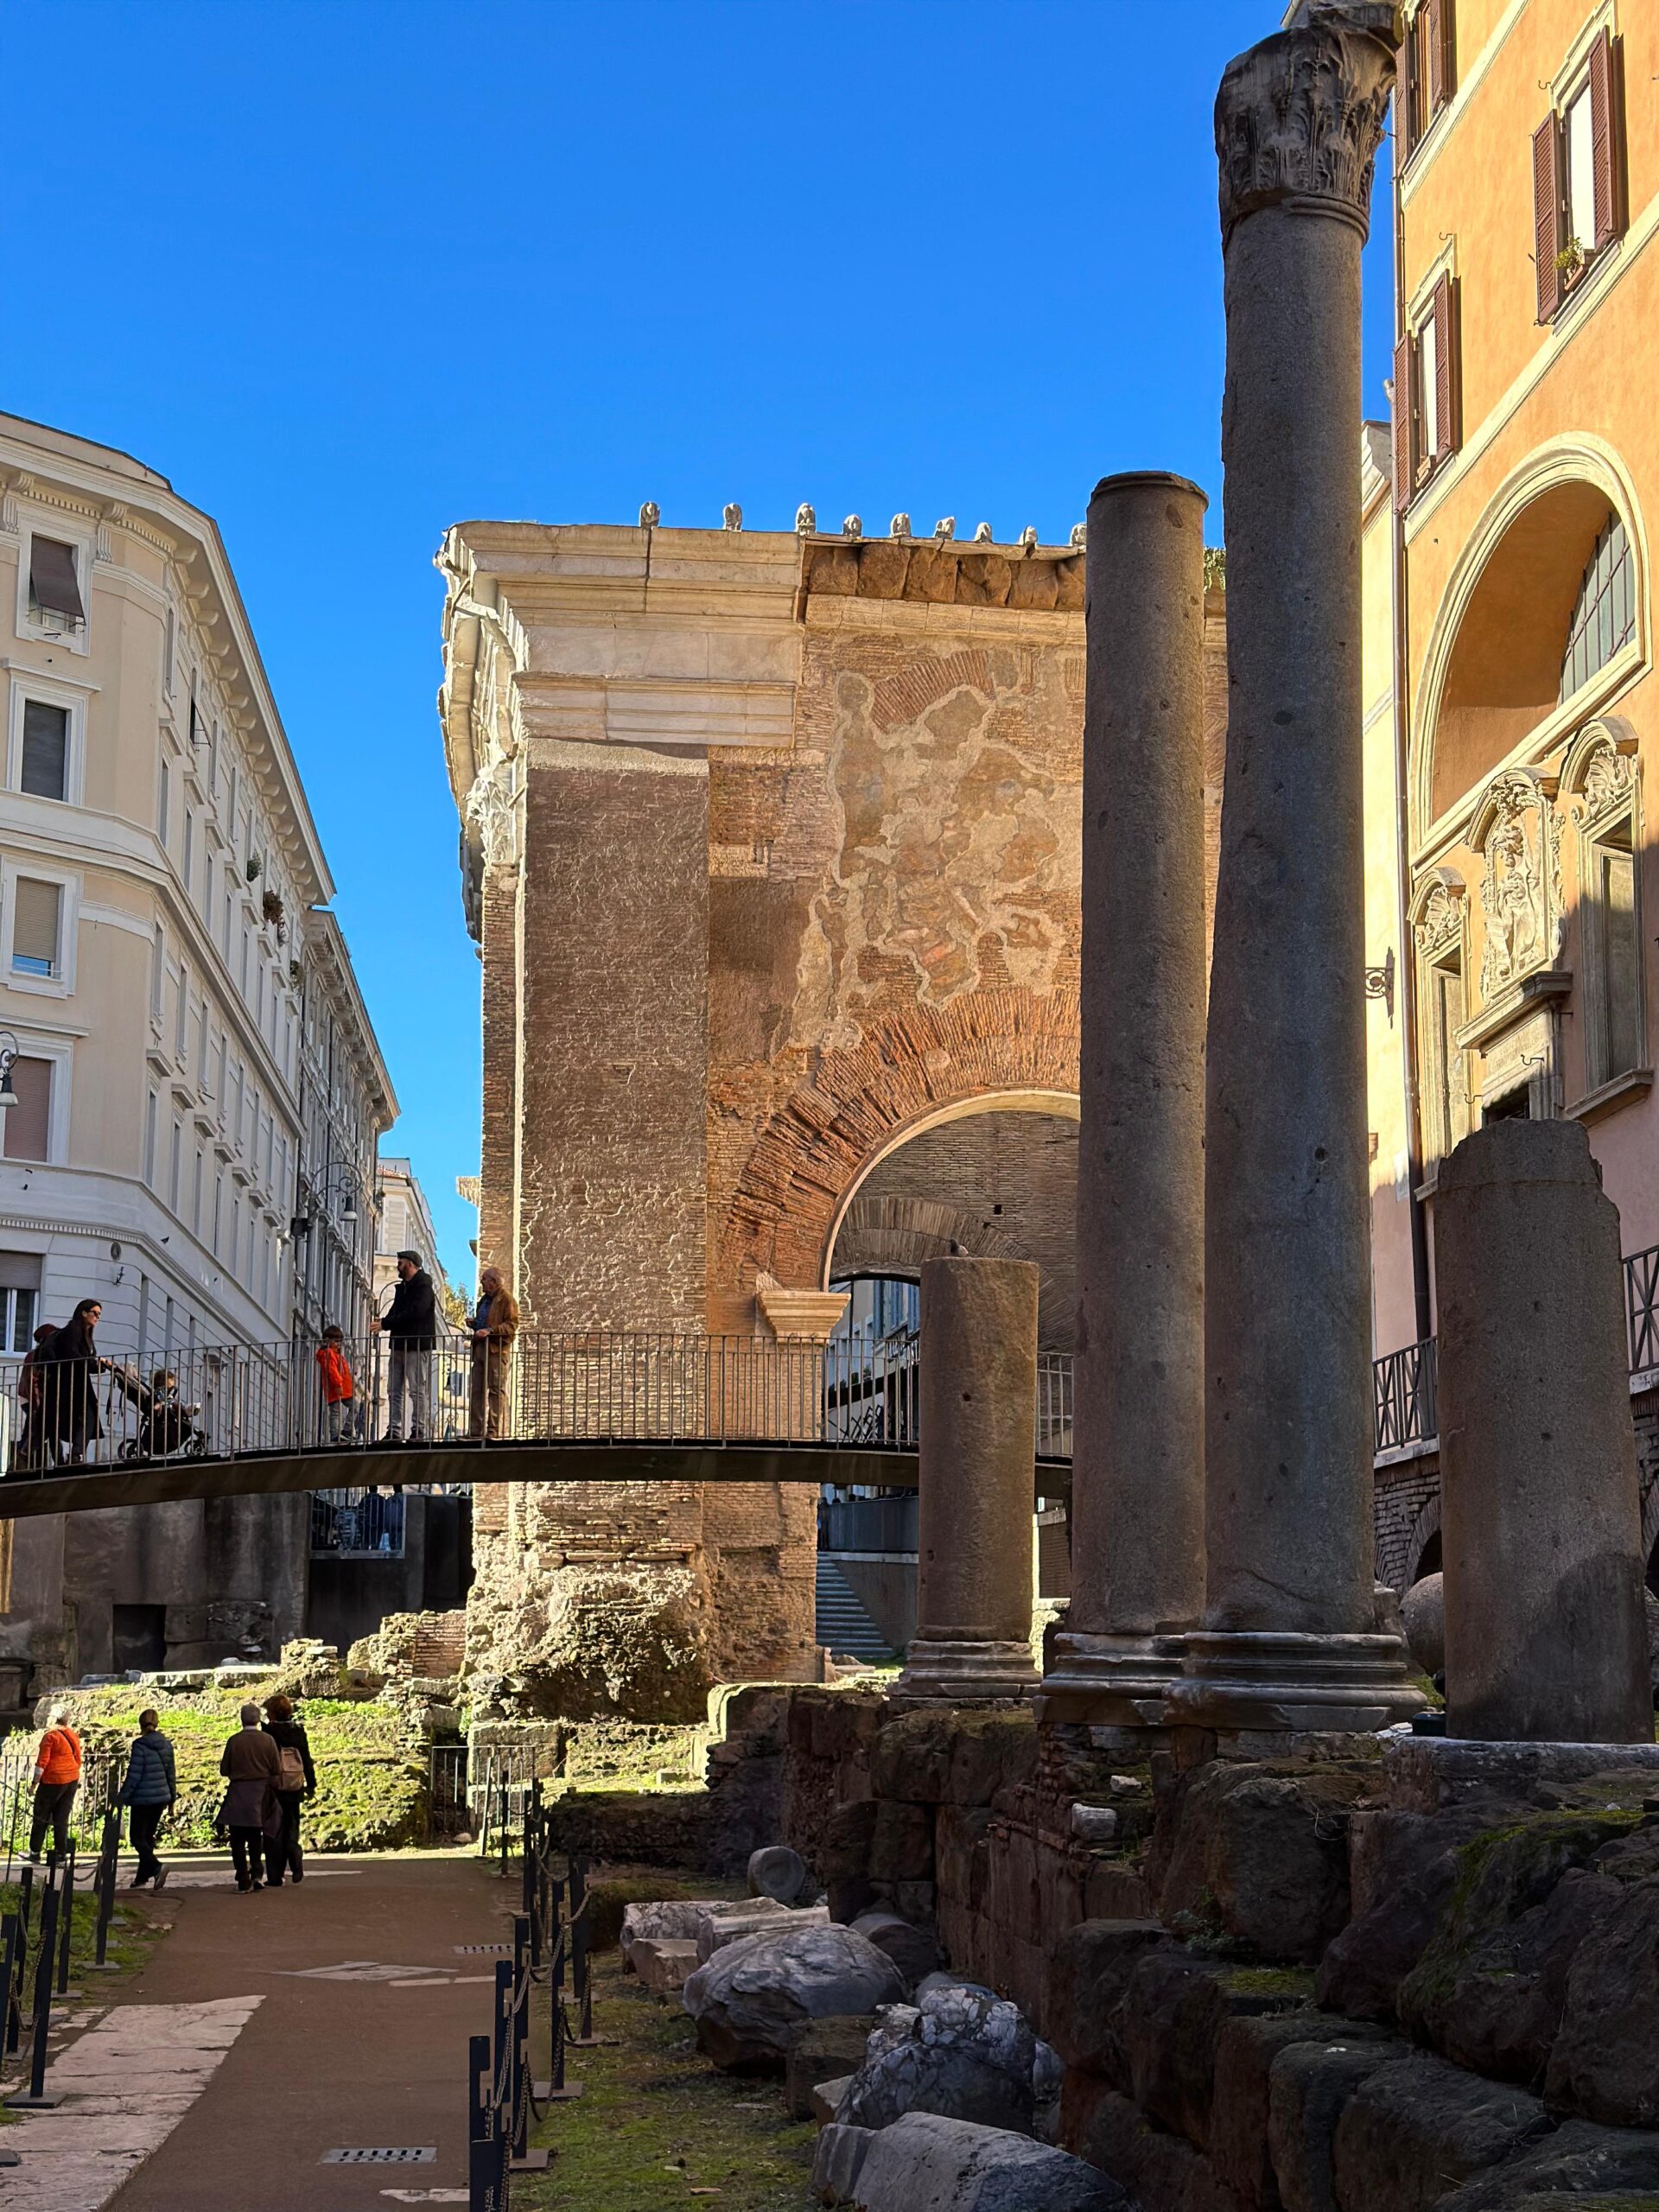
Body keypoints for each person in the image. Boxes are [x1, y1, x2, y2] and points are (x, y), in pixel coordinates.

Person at [219, 1701, 283, 1891]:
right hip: (260, 1794)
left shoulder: (234, 1741)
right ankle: (257, 1873)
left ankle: (243, 1877)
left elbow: (224, 1770)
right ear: (258, 1719)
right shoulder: (268, 1740)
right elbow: (276, 1769)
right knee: (256, 1837)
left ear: (241, 1719)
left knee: (237, 1839)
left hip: (238, 1794)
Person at [35, 1300, 109, 1466]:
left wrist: (100, 1366)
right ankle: (74, 1456)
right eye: (95, 1313)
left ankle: (75, 1455)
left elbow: (86, 1363)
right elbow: (73, 1357)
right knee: (81, 1418)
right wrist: (95, 1363)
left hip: (78, 1383)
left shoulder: (86, 1336)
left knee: (86, 1418)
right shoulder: (71, 1333)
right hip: (68, 1383)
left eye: (99, 1315)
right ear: (83, 1313)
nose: (98, 1317)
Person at [375, 1251, 437, 1444]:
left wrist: (386, 1323)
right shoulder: (403, 1288)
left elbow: (415, 1312)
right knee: (394, 1389)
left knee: (417, 1390)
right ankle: (394, 1430)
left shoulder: (424, 1288)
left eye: (400, 1263)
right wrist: (385, 1322)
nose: (397, 1266)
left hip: (416, 1345)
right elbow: (398, 1310)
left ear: (409, 1264)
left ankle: (418, 1430)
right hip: (400, 1344)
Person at [117, 1708, 177, 1891]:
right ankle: (142, 1877)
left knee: (137, 1838)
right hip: (161, 1798)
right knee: (147, 1838)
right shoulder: (167, 1745)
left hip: (143, 1799)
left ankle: (156, 1867)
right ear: (156, 1723)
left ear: (140, 1724)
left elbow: (134, 1775)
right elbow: (171, 1773)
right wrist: (172, 1798)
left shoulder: (140, 1745)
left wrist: (122, 1797)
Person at [260, 1694, 316, 1886]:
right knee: (292, 1825)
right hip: (295, 1785)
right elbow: (307, 1759)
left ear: (273, 1713)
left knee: (274, 1830)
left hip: (275, 1787)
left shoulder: (268, 1732)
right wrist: (311, 1783)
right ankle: (294, 1851)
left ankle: (275, 1876)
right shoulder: (298, 1731)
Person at [467, 1267, 519, 1441]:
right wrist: (475, 1324)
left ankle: (493, 1430)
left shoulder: (506, 1300)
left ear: (494, 1282)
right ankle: (475, 1431)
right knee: (477, 1389)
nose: (481, 1282)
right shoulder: (484, 1300)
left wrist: (490, 1330)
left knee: (496, 1390)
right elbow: (486, 1320)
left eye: (484, 1279)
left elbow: (511, 1326)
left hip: (496, 1350)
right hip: (481, 1348)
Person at [29, 1703, 82, 1863]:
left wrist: (34, 1783)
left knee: (41, 1816)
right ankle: (61, 1854)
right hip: (71, 1778)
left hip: (52, 1780)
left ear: (53, 1718)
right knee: (61, 1817)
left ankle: (35, 1852)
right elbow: (78, 1758)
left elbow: (42, 1762)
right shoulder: (72, 1734)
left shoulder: (50, 1736)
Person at [11, 1323, 58, 1474]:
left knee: (35, 1430)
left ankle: (18, 1463)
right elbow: (33, 1381)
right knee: (38, 1430)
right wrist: (37, 1404)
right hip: (33, 1399)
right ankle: (20, 1462)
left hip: (30, 1398)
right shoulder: (37, 1354)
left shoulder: (35, 1353)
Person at [315, 1326, 356, 1446]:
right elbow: (332, 1371)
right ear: (328, 1341)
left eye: (340, 1342)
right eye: (336, 1341)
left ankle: (345, 1431)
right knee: (336, 1412)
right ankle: (336, 1434)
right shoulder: (328, 1354)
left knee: (354, 1407)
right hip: (336, 1388)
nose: (339, 1344)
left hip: (344, 1388)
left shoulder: (337, 1355)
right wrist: (338, 1384)